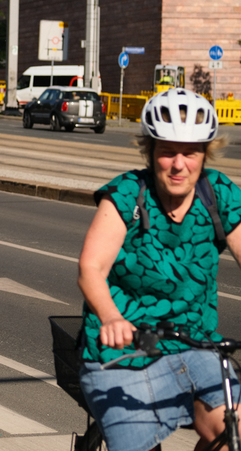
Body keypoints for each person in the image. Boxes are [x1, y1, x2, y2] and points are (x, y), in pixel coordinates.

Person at [77, 89, 241, 451]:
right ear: (150, 152)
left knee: (234, 433)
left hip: (197, 347)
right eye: (167, 151)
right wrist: (111, 318)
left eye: (190, 153)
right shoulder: (127, 193)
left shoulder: (218, 194)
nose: (179, 164)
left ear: (205, 154)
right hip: (125, 354)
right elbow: (91, 268)